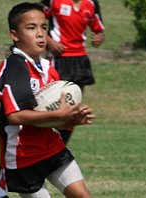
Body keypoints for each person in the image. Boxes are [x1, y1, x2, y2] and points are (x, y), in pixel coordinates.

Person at [0, 2, 95, 198]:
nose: (40, 34)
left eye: (44, 27)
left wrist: (70, 120)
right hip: (23, 158)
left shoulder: (48, 69)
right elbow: (15, 116)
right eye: (31, 28)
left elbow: (49, 119)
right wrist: (58, 114)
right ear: (15, 35)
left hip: (52, 147)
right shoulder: (14, 68)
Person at [40, 0, 104, 144]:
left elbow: (98, 31)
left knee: (72, 108)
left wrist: (99, 38)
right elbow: (35, 21)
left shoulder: (91, 3)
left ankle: (61, 145)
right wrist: (49, 42)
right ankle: (45, 145)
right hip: (58, 59)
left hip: (80, 60)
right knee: (51, 105)